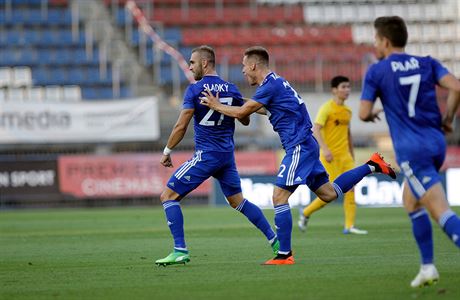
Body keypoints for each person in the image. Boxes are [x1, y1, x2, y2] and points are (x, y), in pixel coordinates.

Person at [200, 46, 396, 265]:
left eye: (244, 66)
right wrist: (235, 98)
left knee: (279, 197)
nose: (243, 71)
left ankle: (284, 254)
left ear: (254, 65)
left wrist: (217, 105)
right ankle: (372, 165)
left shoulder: (269, 86)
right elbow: (263, 108)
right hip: (307, 144)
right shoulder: (277, 83)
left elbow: (243, 113)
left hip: (299, 145)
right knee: (329, 194)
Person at [359, 16, 460, 288]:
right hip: (436, 142)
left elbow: (363, 112)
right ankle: (427, 267)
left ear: (385, 41)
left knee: (441, 211)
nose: (375, 44)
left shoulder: (377, 70)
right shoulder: (427, 62)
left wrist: (372, 114)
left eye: (376, 39)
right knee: (411, 201)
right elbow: (456, 86)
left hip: (411, 150)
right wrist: (449, 117)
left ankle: (430, 265)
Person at [155, 45, 279, 266]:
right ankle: (275, 241)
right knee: (238, 201)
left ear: (205, 63)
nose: (190, 66)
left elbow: (181, 126)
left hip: (207, 155)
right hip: (226, 156)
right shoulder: (231, 89)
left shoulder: (195, 89)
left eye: (192, 62)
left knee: (168, 196)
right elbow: (246, 117)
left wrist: (167, 151)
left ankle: (180, 250)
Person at [298, 76, 367, 235]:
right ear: (334, 90)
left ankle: (349, 226)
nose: (347, 90)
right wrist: (325, 149)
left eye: (348, 87)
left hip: (345, 157)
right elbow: (316, 129)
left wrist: (352, 153)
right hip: (329, 157)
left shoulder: (348, 111)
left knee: (351, 189)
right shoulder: (326, 108)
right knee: (331, 193)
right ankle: (306, 212)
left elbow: (347, 134)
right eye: (343, 87)